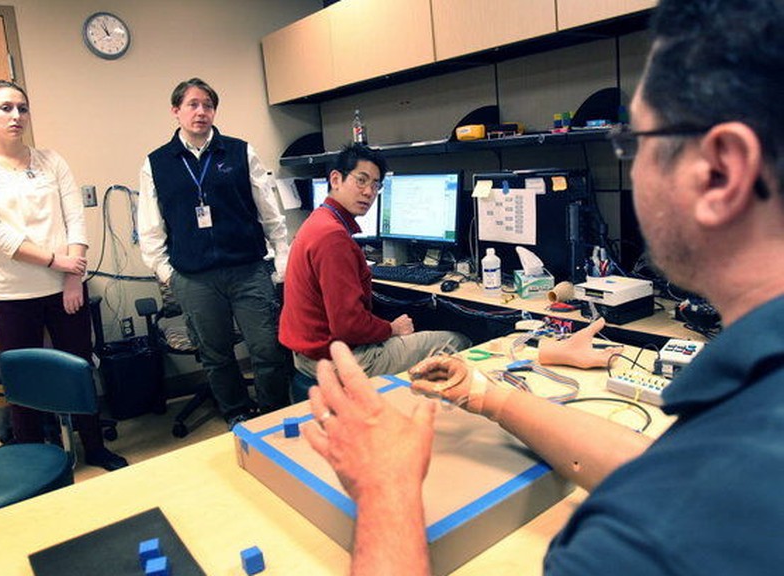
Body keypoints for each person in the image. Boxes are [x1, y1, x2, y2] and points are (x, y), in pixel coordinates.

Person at [303, 0, 784, 573]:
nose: (630, 169)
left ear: (721, 171)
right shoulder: (744, 420)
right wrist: (490, 396)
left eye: (637, 142)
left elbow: (673, 489)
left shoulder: (645, 542)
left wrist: (385, 490)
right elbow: (655, 461)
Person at [0, 80, 127, 471]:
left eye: (22, 108)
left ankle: (95, 449)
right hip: (12, 294)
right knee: (23, 381)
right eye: (5, 108)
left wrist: (71, 277)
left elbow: (75, 222)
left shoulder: (52, 160)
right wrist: (57, 262)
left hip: (64, 287)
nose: (16, 116)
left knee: (79, 369)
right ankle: (30, 463)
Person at [138, 78, 291, 429]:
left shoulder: (240, 152)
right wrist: (166, 272)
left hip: (248, 270)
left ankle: (273, 415)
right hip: (194, 278)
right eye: (192, 104)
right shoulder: (156, 164)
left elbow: (269, 210)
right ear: (176, 111)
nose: (201, 112)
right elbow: (150, 227)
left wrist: (280, 256)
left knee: (266, 349)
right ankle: (237, 414)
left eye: (208, 105)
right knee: (215, 355)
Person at [280, 143, 470, 395]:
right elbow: (348, 326)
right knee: (457, 341)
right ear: (336, 179)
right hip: (336, 359)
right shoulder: (333, 237)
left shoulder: (318, 222)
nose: (369, 192)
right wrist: (391, 329)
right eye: (361, 180)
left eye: (376, 185)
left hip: (308, 354)